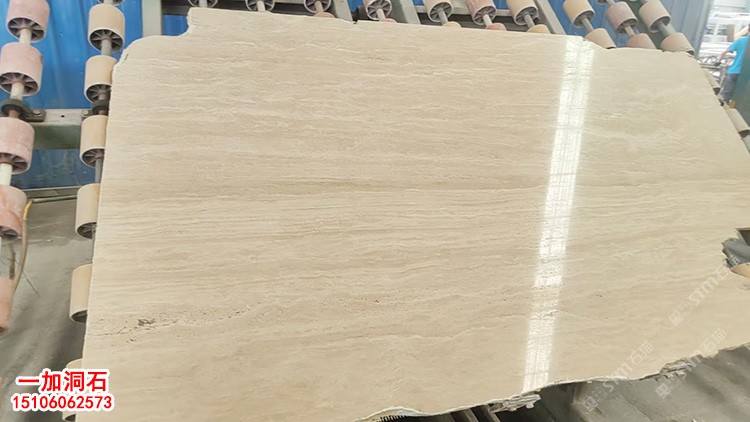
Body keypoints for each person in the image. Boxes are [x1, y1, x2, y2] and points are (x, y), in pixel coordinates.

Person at [718, 24, 750, 104]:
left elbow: (723, 53)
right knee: (740, 97)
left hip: (734, 71)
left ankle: (723, 107)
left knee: (725, 95)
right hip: (746, 75)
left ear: (748, 30)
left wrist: (718, 61)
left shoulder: (740, 40)